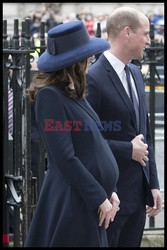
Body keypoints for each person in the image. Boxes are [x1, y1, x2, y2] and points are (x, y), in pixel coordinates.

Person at [25, 20, 120, 247]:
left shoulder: (73, 93)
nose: (90, 60)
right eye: (87, 56)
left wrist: (110, 190)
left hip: (90, 200)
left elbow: (96, 145)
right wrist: (99, 196)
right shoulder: (50, 97)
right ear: (76, 62)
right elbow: (65, 157)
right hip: (73, 202)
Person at [86, 7, 162, 247]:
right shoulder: (93, 77)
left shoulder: (137, 73)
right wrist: (126, 149)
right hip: (110, 196)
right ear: (127, 33)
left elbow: (144, 133)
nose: (149, 41)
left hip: (137, 198)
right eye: (146, 34)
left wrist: (153, 184)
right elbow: (86, 139)